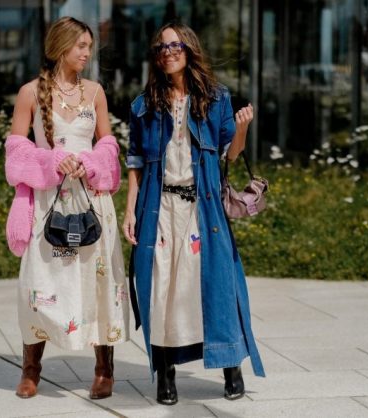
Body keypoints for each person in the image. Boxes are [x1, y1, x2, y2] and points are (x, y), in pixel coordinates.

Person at [123, 22, 265, 405]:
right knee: (162, 289)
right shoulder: (143, 105)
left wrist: (242, 129)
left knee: (216, 285)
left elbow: (231, 153)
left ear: (189, 49)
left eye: (175, 45)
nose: (168, 52)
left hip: (203, 207)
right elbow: (135, 162)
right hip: (159, 208)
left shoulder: (216, 98)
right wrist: (130, 210)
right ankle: (165, 373)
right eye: (161, 48)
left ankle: (231, 366)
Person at [4, 16, 129, 400]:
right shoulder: (30, 93)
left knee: (98, 281)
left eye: (90, 46)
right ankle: (31, 369)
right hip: (49, 202)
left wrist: (90, 163)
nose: (87, 53)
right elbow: (16, 152)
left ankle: (104, 370)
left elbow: (108, 145)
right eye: (81, 46)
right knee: (40, 282)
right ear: (61, 47)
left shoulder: (95, 92)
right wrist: (53, 161)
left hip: (91, 202)